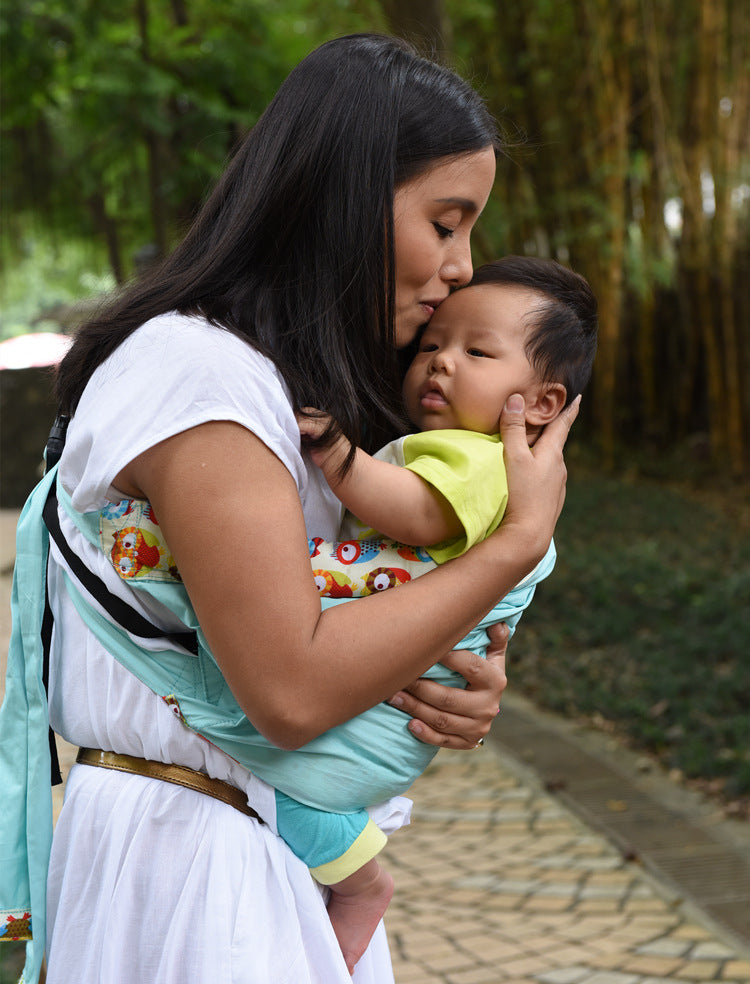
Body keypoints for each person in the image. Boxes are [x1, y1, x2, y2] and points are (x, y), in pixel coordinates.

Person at [0, 34, 578, 984]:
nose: (465, 265)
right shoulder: (199, 375)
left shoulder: (283, 392)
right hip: (191, 875)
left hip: (262, 857)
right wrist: (513, 545)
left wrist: (449, 685)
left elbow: (337, 632)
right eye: (446, 221)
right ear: (343, 202)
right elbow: (294, 690)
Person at [256, 255, 594, 969]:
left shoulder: (481, 462)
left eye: (475, 352)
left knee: (280, 792)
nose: (440, 364)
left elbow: (415, 513)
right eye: (433, 346)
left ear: (540, 403)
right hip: (383, 694)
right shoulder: (453, 450)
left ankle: (361, 882)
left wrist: (338, 455)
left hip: (384, 711)